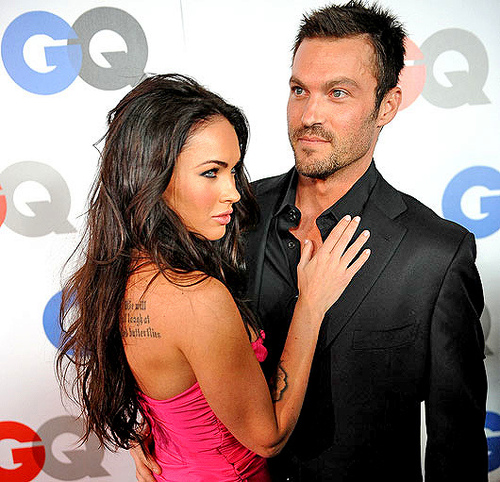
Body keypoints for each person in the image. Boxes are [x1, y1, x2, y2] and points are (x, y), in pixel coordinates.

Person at [132, 1, 488, 481]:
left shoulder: (435, 255)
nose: (309, 114)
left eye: (338, 93)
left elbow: (457, 444)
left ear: (387, 106)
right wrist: (153, 422)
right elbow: (160, 327)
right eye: (299, 90)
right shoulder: (226, 215)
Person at [56, 73, 371, 481]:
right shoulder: (194, 296)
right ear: (151, 176)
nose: (234, 193)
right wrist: (310, 305)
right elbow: (269, 437)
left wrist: (156, 432)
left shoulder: (117, 271)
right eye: (211, 173)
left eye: (233, 171)